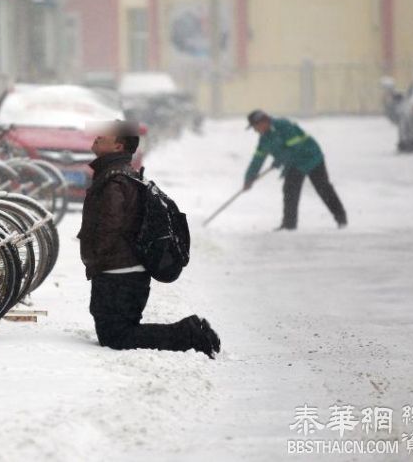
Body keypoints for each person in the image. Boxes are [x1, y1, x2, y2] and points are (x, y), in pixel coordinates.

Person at [77, 121, 221, 358]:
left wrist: (96, 257)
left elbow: (109, 227)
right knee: (115, 334)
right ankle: (191, 332)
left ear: (118, 146)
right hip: (123, 272)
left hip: (118, 274)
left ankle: (190, 334)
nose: (98, 136)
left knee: (117, 337)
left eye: (106, 135)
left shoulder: (114, 181)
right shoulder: (121, 175)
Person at [243, 110, 347, 230]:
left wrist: (280, 160)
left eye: (255, 127)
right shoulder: (264, 139)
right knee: (290, 189)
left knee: (323, 188)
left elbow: (295, 147)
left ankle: (341, 218)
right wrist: (249, 178)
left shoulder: (283, 125)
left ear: (263, 121)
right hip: (294, 163)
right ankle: (289, 224)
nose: (255, 130)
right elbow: (257, 159)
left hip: (311, 156)